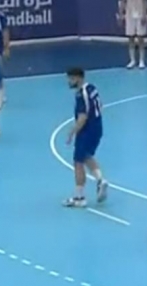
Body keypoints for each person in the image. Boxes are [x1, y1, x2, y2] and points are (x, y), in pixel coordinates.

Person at [63, 68, 109, 207]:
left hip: (86, 131)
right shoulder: (92, 88)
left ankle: (79, 197)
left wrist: (72, 132)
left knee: (78, 162)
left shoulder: (80, 95)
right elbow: (101, 106)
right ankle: (100, 180)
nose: (69, 82)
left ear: (78, 78)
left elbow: (82, 117)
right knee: (87, 156)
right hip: (98, 127)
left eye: (71, 79)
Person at [120, 0, 147, 69]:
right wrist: (121, 14)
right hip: (129, 14)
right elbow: (123, 2)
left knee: (140, 37)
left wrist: (144, 14)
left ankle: (141, 61)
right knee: (130, 37)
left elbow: (144, 2)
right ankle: (132, 60)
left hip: (140, 13)